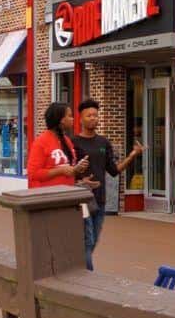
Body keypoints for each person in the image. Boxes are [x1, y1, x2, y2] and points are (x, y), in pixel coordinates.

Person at [73, 98, 143, 270]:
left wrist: (132, 155)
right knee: (87, 240)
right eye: (89, 115)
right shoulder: (73, 143)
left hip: (100, 201)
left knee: (93, 240)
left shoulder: (103, 143)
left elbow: (113, 170)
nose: (93, 119)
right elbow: (68, 170)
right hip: (81, 200)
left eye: (96, 115)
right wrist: (80, 182)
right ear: (80, 119)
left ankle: (78, 268)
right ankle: (86, 275)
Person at [27, 102, 91, 188]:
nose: (73, 119)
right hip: (46, 197)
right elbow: (33, 174)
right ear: (61, 120)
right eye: (70, 116)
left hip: (65, 195)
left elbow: (68, 171)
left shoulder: (67, 141)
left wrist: (77, 171)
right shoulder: (41, 142)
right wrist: (60, 170)